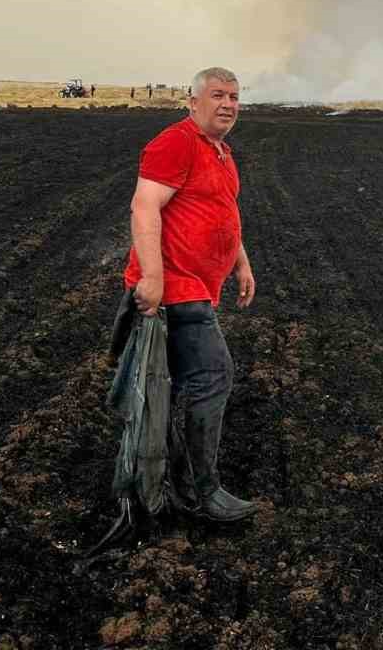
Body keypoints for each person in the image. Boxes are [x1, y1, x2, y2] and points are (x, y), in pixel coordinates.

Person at [126, 67, 259, 523]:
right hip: (177, 287)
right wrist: (153, 277)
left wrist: (240, 261)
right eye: (218, 95)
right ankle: (203, 491)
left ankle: (168, 477)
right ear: (193, 101)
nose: (228, 104)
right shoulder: (176, 142)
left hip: (199, 286)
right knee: (214, 375)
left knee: (180, 383)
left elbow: (222, 208)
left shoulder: (220, 150)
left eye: (234, 97)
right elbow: (145, 206)